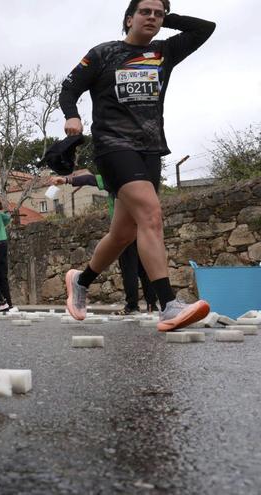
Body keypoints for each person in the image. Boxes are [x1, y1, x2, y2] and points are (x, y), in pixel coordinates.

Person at [59, 0, 214, 331]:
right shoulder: (104, 53)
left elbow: (205, 28)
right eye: (146, 11)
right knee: (151, 215)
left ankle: (81, 281)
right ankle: (168, 305)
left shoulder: (164, 52)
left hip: (150, 150)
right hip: (113, 146)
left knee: (123, 233)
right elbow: (69, 87)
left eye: (159, 14)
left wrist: (165, 17)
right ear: (128, 18)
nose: (153, 18)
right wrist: (71, 115)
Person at [52, 174, 158, 314]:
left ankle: (132, 305)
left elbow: (92, 179)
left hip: (124, 229)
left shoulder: (116, 177)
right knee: (145, 267)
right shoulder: (138, 177)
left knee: (129, 268)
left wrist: (66, 180)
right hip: (142, 226)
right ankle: (152, 305)